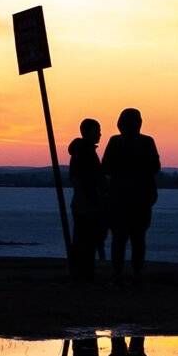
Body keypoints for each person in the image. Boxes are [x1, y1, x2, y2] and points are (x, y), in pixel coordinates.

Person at [101, 107, 160, 284]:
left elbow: (106, 167)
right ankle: (128, 271)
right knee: (130, 237)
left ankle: (127, 271)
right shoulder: (141, 142)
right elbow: (106, 167)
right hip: (128, 198)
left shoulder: (141, 141)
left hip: (131, 198)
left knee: (130, 237)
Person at [68, 118, 105, 280]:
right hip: (86, 202)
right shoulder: (85, 153)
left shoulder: (84, 151)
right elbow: (82, 179)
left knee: (84, 238)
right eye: (97, 131)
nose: (100, 134)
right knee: (86, 239)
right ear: (88, 132)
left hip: (84, 201)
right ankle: (84, 273)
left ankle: (83, 272)